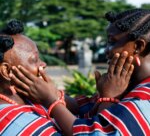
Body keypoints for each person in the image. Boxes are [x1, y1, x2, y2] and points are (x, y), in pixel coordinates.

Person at [10, 8, 150, 135]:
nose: (107, 51)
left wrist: (51, 100)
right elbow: (83, 107)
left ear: (138, 46)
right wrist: (49, 91)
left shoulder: (144, 100)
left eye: (112, 42)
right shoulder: (129, 86)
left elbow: (94, 132)